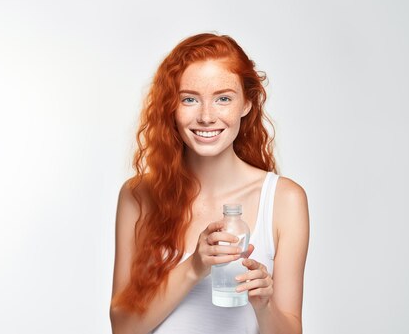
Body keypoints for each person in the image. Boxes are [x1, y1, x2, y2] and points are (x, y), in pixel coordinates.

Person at [110, 33, 310, 334]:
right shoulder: (137, 195)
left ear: (247, 104)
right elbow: (122, 328)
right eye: (189, 99)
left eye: (223, 99)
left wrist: (264, 304)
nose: (206, 116)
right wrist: (194, 267)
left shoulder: (284, 199)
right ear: (170, 107)